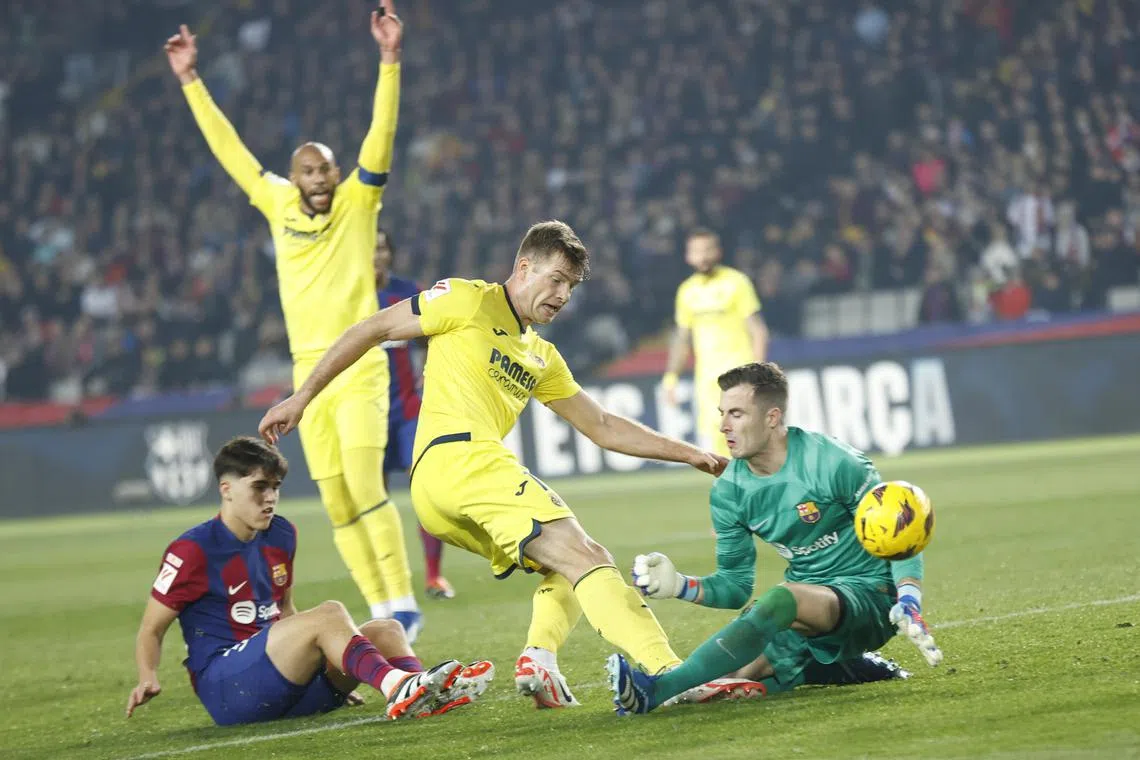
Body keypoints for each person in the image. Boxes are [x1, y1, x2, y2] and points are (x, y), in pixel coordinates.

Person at [259, 220, 728, 710]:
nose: (563, 294)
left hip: (440, 492)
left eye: (571, 285)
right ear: (523, 268)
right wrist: (303, 397)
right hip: (461, 458)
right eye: (556, 279)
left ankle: (539, 658)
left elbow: (603, 425)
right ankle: (673, 674)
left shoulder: (541, 355)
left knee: (567, 565)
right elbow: (372, 327)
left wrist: (689, 451)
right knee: (588, 556)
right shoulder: (466, 300)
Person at [164, 1, 423, 639]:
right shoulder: (275, 199)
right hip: (308, 371)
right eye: (308, 170)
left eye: (326, 169)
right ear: (295, 174)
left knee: (366, 487)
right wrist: (191, 81)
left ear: (337, 173)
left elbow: (380, 137)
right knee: (335, 505)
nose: (319, 180)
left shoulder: (361, 200)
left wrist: (389, 60)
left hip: (360, 364)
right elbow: (229, 151)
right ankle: (382, 611)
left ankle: (405, 600)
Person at [608, 362, 943, 714]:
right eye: (722, 413)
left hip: (870, 598)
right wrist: (680, 585)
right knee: (724, 678)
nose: (723, 426)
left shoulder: (833, 462)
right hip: (808, 607)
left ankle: (654, 691)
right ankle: (833, 667)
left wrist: (909, 599)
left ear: (771, 417)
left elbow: (900, 528)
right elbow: (734, 586)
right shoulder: (730, 492)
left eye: (736, 414)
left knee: (780, 600)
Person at [125, 437, 492, 726]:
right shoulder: (192, 549)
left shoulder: (281, 534)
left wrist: (334, 664)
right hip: (228, 689)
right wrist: (147, 676)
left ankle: (427, 693)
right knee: (330, 612)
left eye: (275, 487)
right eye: (259, 487)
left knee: (387, 629)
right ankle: (396, 686)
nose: (270, 497)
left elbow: (284, 611)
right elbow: (150, 628)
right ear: (227, 489)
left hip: (281, 682)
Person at [374, 227, 454, 600]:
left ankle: (434, 576)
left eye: (381, 247)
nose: (376, 255)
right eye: (369, 249)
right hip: (366, 413)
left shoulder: (406, 291)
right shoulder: (346, 296)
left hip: (407, 409)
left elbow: (434, 333)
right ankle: (386, 583)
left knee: (426, 490)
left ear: (390, 253)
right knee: (374, 500)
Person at [662, 229, 769, 458]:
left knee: (750, 436)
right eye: (697, 251)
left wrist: (758, 374)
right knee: (720, 439)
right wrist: (671, 378)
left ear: (718, 252)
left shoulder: (736, 282)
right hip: (708, 380)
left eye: (707, 250)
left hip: (740, 374)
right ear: (688, 256)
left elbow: (758, 330)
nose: (703, 256)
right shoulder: (687, 291)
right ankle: (735, 490)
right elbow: (682, 339)